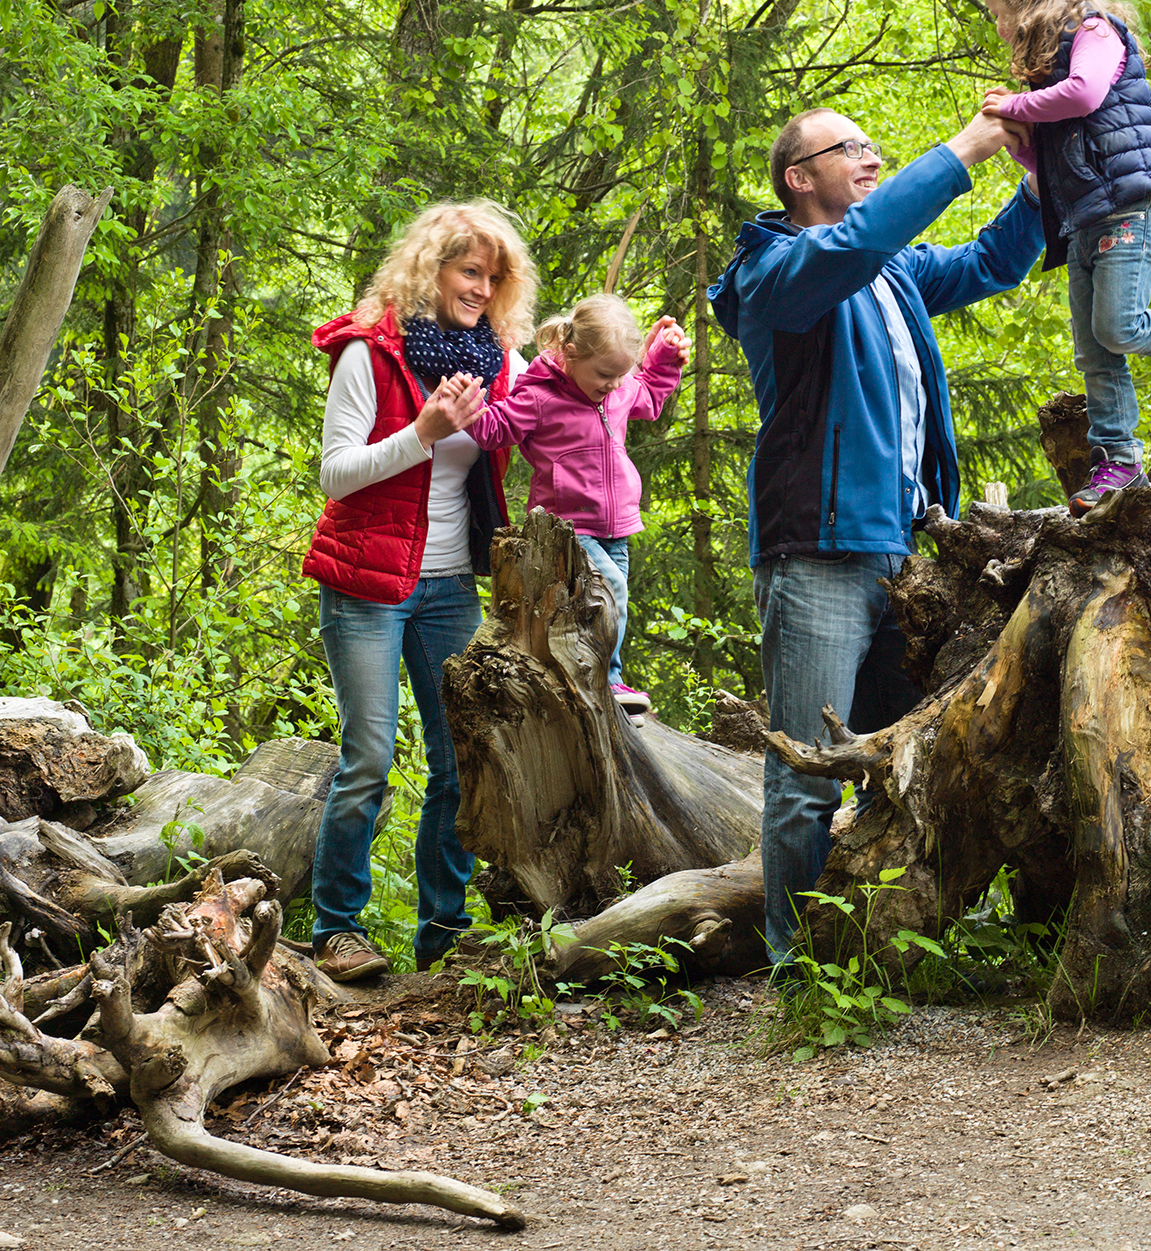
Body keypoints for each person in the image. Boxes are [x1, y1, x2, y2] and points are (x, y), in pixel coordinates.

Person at [709, 102, 1040, 978]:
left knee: (911, 763)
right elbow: (847, 249)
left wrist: (1043, 179)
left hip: (905, 558)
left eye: (873, 145)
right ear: (798, 177)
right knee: (807, 775)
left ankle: (883, 952)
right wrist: (965, 148)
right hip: (816, 556)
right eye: (849, 147)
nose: (870, 155)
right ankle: (799, 968)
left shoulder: (889, 272)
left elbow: (990, 262)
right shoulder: (771, 271)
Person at [301, 200, 537, 981]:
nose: (480, 287)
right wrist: (422, 433)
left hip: (448, 589)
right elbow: (334, 473)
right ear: (430, 267)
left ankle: (444, 928)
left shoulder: (497, 360)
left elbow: (570, 397)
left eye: (492, 277)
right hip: (367, 584)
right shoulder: (372, 352)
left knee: (458, 761)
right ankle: (337, 928)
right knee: (367, 756)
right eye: (469, 270)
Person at [979, 0, 1151, 512]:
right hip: (1084, 221)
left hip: (1134, 206)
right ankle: (1118, 462)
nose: (1000, 28)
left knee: (1118, 327)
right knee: (1095, 352)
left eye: (1001, 13)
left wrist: (1013, 107)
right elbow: (1049, 164)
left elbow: (1084, 95)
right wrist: (1018, 138)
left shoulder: (1094, 30)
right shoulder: (1043, 75)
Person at [466, 294, 688, 721]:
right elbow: (497, 430)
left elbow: (651, 396)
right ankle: (603, 680)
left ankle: (610, 680)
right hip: (565, 527)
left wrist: (665, 356)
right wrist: (468, 404)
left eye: (620, 375)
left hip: (617, 525)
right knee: (610, 594)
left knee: (610, 605)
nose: (612, 384)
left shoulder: (619, 389)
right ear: (570, 352)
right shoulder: (540, 395)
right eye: (604, 374)